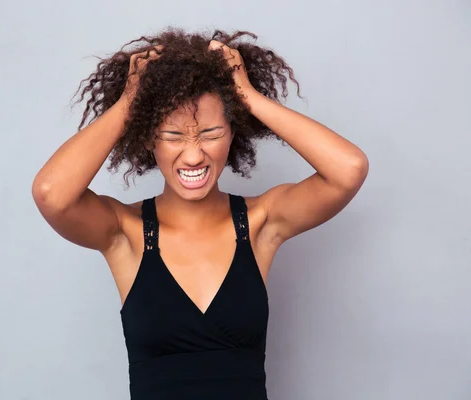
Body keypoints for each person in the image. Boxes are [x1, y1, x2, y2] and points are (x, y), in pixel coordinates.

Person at [32, 28, 369, 400]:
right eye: (173, 136)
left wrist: (249, 98)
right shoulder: (122, 232)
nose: (193, 155)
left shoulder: (261, 224)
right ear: (148, 138)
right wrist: (131, 100)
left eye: (210, 133)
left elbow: (348, 169)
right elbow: (52, 194)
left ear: (232, 134)